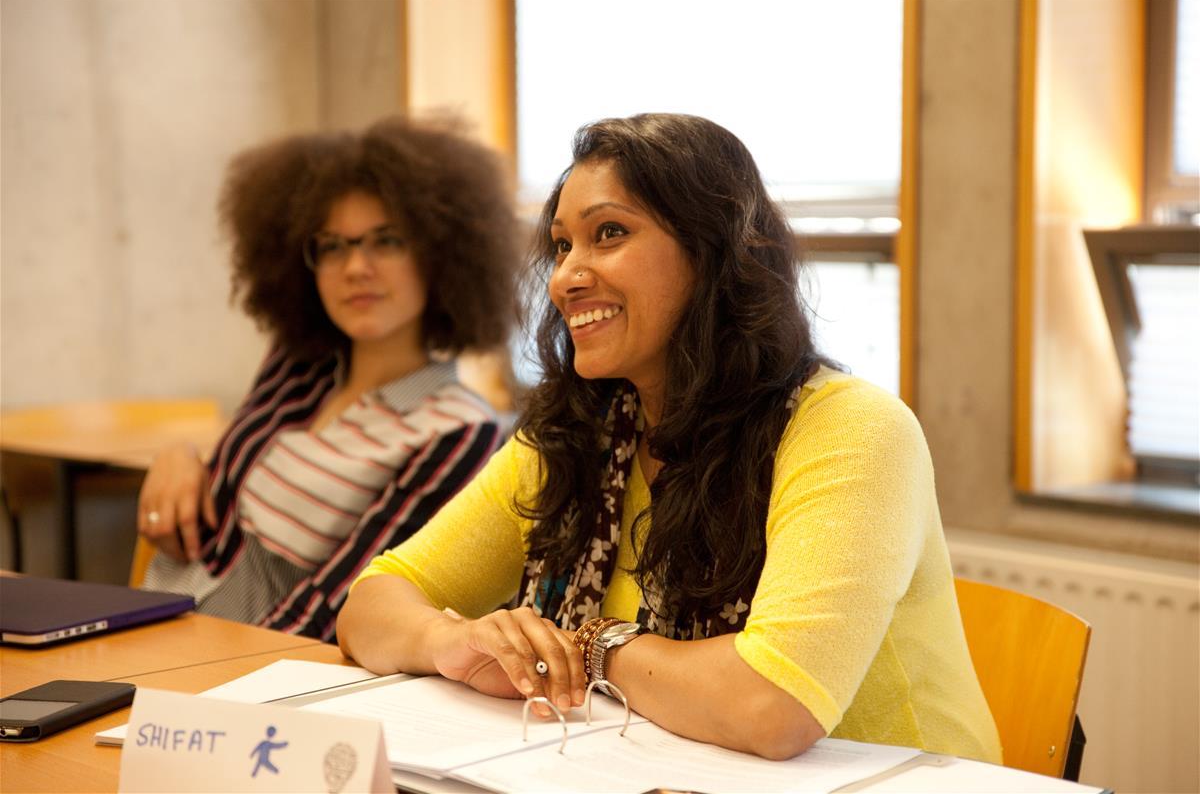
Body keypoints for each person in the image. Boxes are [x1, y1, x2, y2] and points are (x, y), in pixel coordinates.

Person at [336, 113, 1002, 762]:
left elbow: (771, 709)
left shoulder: (853, 429)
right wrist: (448, 640)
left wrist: (592, 645)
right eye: (563, 245)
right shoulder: (577, 433)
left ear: (716, 255)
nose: (567, 277)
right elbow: (372, 602)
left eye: (610, 233)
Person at [138, 116, 518, 642]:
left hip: (249, 675)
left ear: (440, 257)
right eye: (333, 246)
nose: (356, 267)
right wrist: (180, 454)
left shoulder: (456, 431)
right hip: (150, 624)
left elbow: (340, 606)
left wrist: (205, 680)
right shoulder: (298, 365)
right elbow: (225, 499)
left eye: (385, 241)